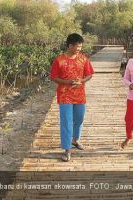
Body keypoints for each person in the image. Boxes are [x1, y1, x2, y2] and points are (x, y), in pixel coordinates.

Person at [50, 33, 94, 162]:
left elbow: (90, 74)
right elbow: (53, 77)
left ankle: (75, 139)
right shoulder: (59, 60)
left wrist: (82, 80)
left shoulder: (83, 59)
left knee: (79, 119)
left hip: (80, 95)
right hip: (64, 95)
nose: (79, 49)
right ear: (69, 45)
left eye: (80, 47)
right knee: (66, 122)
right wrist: (67, 82)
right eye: (77, 47)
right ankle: (67, 150)